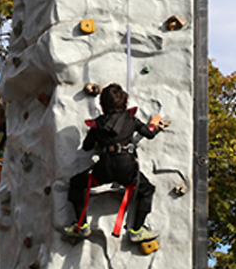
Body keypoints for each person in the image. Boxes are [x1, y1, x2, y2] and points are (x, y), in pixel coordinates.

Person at [63, 83, 168, 243]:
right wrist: (154, 124)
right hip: (126, 168)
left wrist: (100, 137)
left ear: (102, 105)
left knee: (76, 184)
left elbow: (86, 147)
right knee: (147, 190)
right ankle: (137, 230)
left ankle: (81, 225)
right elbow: (149, 134)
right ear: (124, 103)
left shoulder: (98, 123)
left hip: (104, 168)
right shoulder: (130, 119)